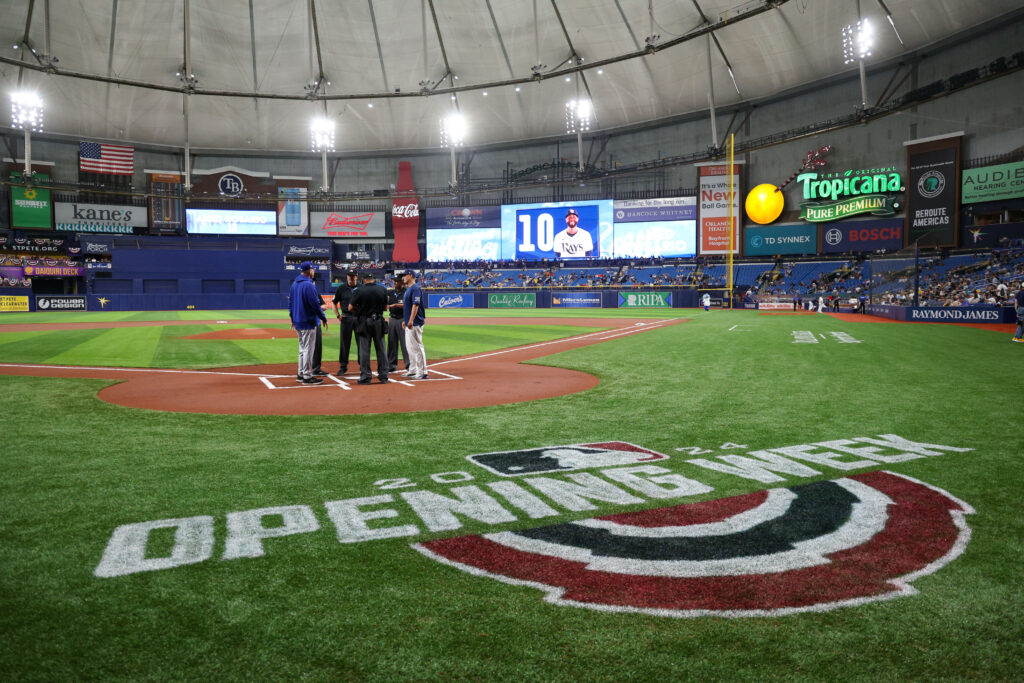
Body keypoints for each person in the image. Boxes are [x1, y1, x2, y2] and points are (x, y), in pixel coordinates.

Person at [288, 261, 328, 384]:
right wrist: (323, 317)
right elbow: (315, 305)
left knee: (302, 348)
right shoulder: (309, 285)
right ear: (309, 271)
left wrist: (292, 319)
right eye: (313, 270)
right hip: (308, 322)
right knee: (308, 349)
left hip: (298, 321)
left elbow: (290, 304)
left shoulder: (294, 284)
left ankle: (300, 373)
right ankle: (306, 376)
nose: (313, 272)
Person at [348, 272, 389, 384]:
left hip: (364, 321)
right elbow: (386, 308)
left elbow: (350, 307)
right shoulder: (383, 290)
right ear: (373, 279)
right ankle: (384, 375)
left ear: (364, 280)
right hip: (379, 321)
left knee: (364, 349)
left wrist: (359, 311)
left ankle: (366, 376)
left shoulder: (359, 290)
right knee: (381, 349)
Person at [402, 269, 428, 379]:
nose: (403, 277)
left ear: (411, 276)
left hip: (415, 323)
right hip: (410, 322)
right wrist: (406, 319)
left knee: (417, 347)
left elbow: (415, 305)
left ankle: (422, 372)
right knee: (410, 347)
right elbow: (408, 307)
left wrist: (411, 320)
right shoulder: (408, 289)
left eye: (404, 275)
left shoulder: (415, 288)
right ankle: (412, 370)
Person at [332, 270, 359, 376]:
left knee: (361, 342)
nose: (351, 278)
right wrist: (338, 315)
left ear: (356, 277)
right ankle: (343, 366)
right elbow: (334, 302)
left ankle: (363, 365)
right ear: (347, 276)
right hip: (346, 318)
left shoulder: (361, 287)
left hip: (358, 318)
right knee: (344, 343)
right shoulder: (341, 288)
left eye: (353, 276)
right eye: (349, 276)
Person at [386, 275, 408, 372]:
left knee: (405, 344)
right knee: (391, 343)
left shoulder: (406, 292)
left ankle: (409, 365)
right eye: (394, 281)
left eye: (397, 281)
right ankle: (391, 365)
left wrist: (395, 305)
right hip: (392, 319)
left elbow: (408, 305)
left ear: (402, 282)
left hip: (403, 319)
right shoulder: (390, 292)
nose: (395, 283)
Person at [310, 271, 328, 378]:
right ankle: (306, 371)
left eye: (314, 282)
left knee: (317, 347)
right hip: (308, 323)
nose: (313, 284)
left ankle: (316, 368)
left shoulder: (316, 293)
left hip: (316, 322)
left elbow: (325, 306)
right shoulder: (306, 292)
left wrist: (315, 309)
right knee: (307, 348)